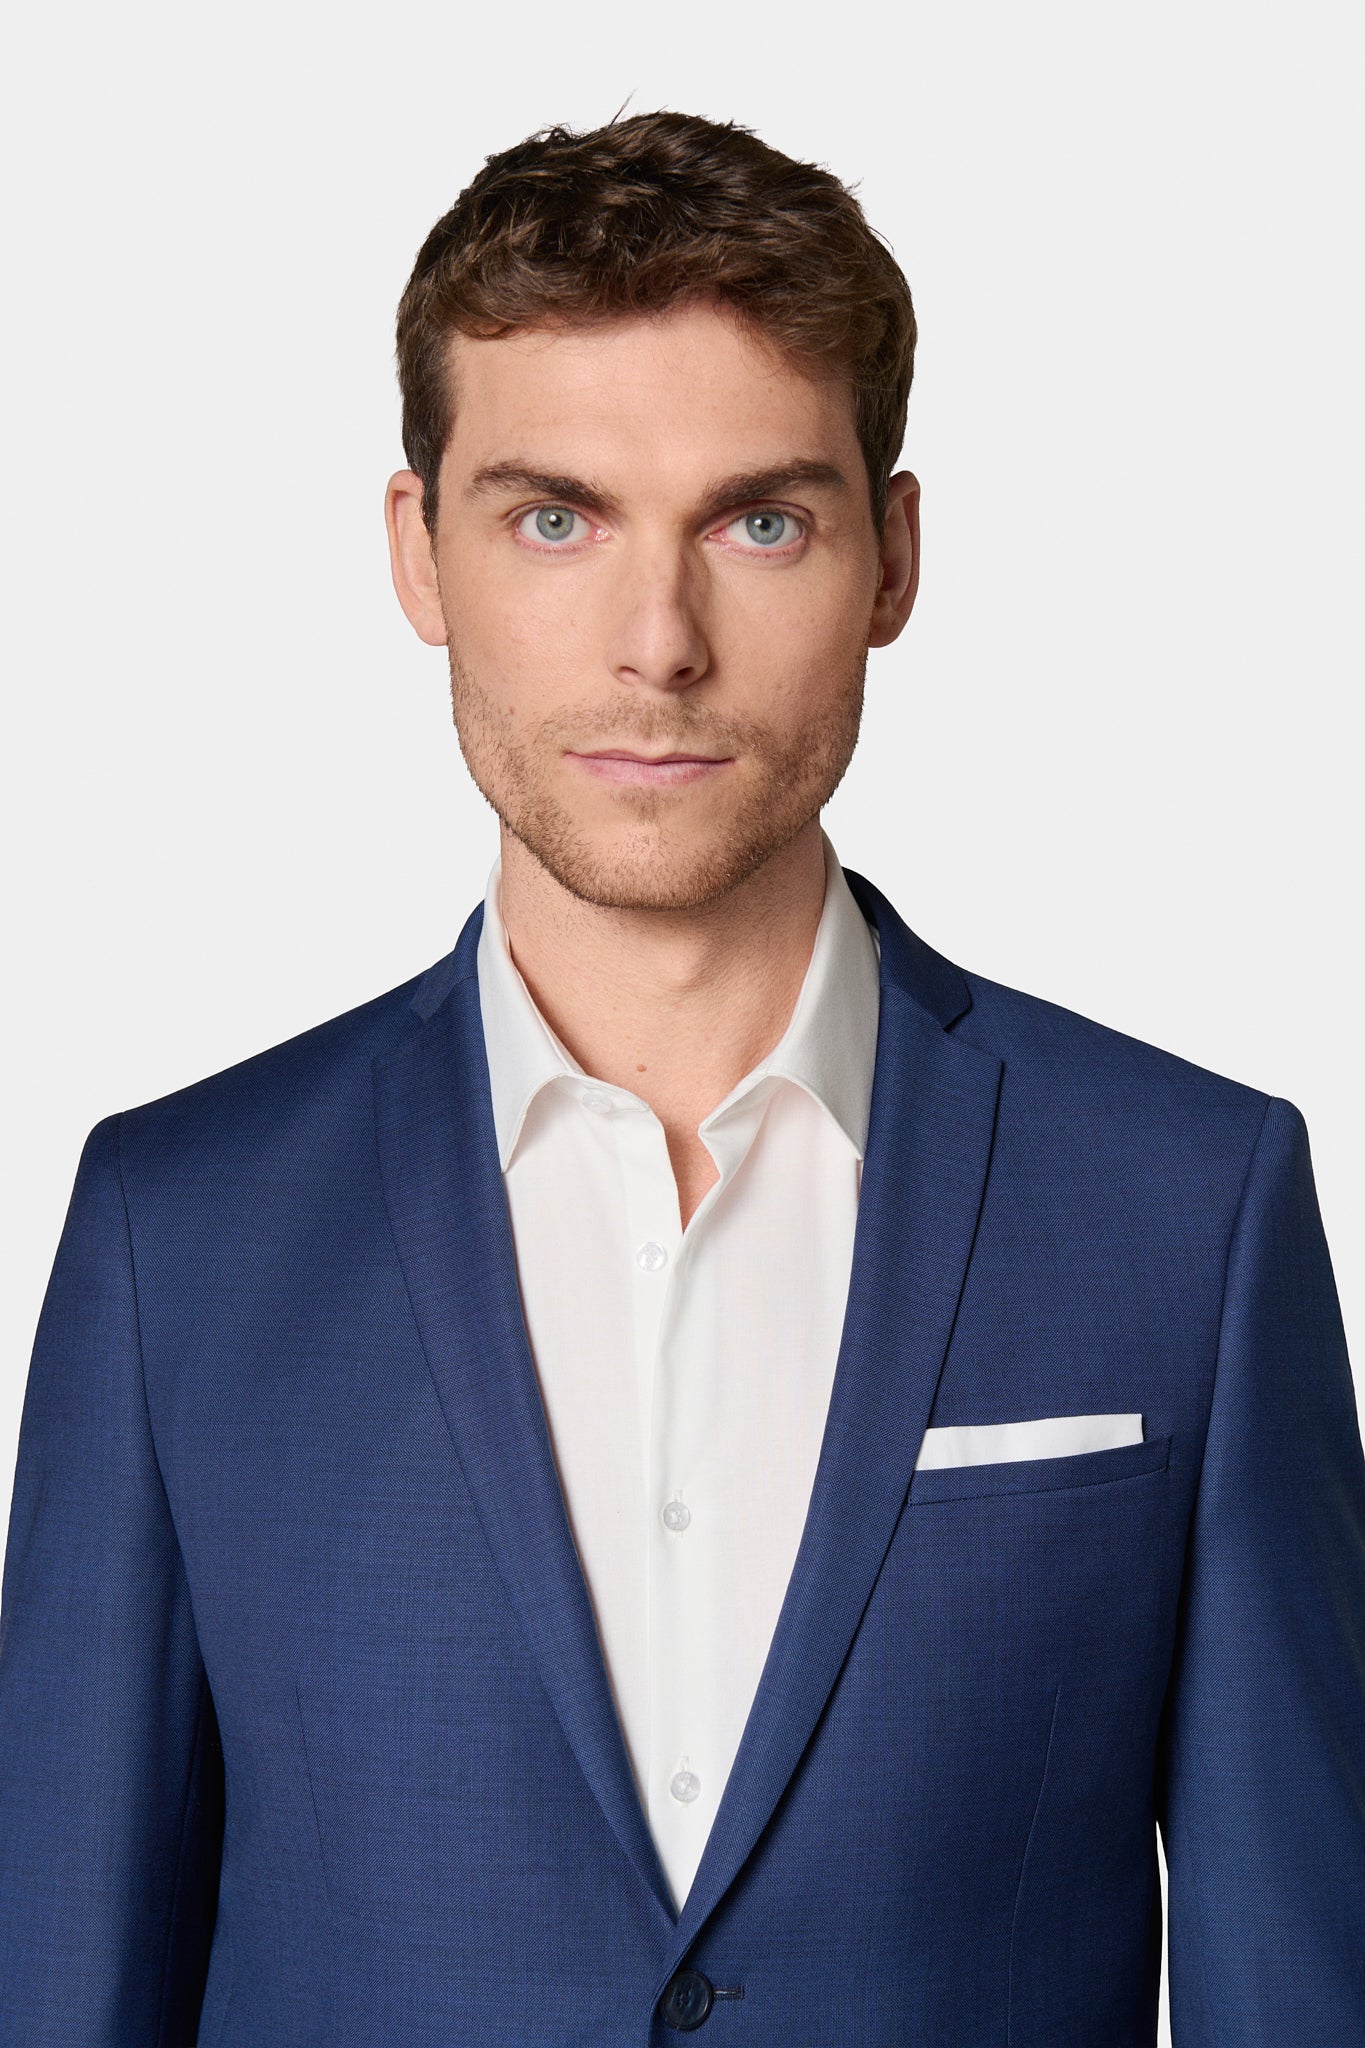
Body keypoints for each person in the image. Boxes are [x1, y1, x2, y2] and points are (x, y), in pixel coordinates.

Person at [0, 108, 1361, 2048]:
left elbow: (1295, 1982)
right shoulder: (178, 1233)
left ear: (892, 557)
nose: (658, 646)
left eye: (758, 521)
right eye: (553, 518)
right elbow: (62, 1975)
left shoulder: (1186, 1205)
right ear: (418, 553)